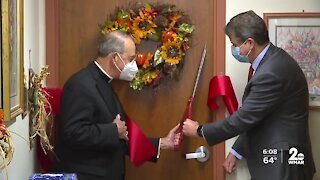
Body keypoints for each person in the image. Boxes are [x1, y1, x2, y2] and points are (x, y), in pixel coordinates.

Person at [182, 10, 315, 180]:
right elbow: (259, 116)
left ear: (249, 43)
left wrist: (200, 131)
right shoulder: (271, 62)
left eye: (235, 44)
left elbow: (243, 118)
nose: (234, 49)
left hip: (282, 165)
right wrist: (236, 151)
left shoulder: (271, 71)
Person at [52, 30, 178, 180]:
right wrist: (113, 130)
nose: (133, 65)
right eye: (130, 59)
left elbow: (122, 136)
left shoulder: (103, 83)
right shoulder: (80, 84)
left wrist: (162, 143)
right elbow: (72, 133)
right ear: (114, 58)